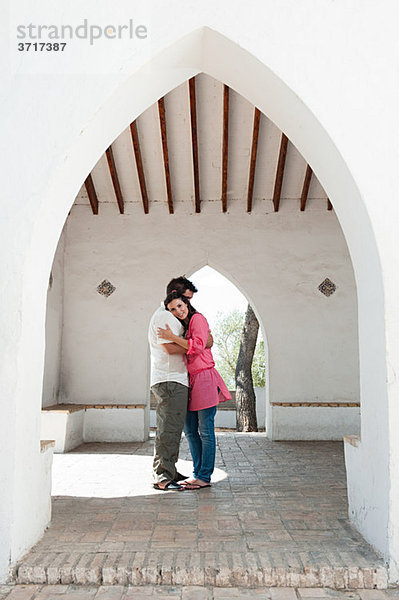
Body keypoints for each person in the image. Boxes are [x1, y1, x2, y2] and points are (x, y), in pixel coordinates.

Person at [158, 292, 231, 488]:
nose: (178, 311)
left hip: (205, 377)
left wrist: (173, 338)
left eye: (180, 306)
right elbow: (194, 345)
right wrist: (187, 343)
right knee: (190, 430)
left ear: (187, 303)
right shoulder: (185, 325)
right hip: (189, 380)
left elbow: (198, 347)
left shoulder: (198, 319)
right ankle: (197, 473)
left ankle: (204, 477)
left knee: (205, 431)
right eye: (173, 309)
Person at [148, 276, 210, 491]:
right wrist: (198, 345)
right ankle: (162, 477)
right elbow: (169, 349)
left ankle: (170, 471)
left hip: (176, 379)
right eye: (186, 299)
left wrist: (197, 343)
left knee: (173, 429)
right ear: (174, 294)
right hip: (169, 379)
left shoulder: (172, 316)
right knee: (168, 430)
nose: (187, 306)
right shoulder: (164, 316)